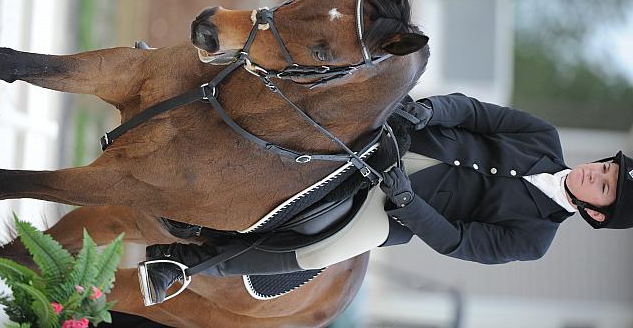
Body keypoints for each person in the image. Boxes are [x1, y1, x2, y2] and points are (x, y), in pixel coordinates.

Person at [142, 93, 633, 303]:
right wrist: (429, 110)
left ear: (595, 211)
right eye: (607, 167)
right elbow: (477, 114)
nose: (597, 173)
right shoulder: (544, 137)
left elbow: (456, 242)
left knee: (324, 248)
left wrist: (405, 200)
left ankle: (187, 265)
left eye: (605, 186)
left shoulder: (534, 239)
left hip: (398, 210)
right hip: (405, 137)